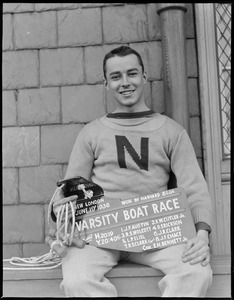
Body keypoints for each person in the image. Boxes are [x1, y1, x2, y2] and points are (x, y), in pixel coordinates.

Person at [50, 46, 213, 297]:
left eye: (132, 74)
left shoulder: (171, 131)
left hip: (156, 233)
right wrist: (63, 217)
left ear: (144, 77)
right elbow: (70, 192)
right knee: (77, 280)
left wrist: (202, 235)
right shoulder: (92, 133)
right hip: (101, 234)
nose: (125, 83)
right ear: (106, 83)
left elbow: (195, 188)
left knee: (196, 272)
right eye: (116, 77)